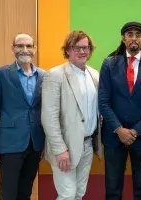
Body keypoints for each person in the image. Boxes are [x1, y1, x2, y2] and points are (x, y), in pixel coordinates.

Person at [98, 21, 141, 200]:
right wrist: (119, 129)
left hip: (140, 137)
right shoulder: (109, 64)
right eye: (130, 34)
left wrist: (135, 131)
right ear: (123, 38)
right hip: (113, 136)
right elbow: (103, 102)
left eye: (138, 35)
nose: (134, 38)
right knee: (112, 188)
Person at [41, 30, 102, 200]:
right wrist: (60, 150)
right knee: (67, 195)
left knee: (79, 193)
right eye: (77, 48)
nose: (82, 51)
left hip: (88, 145)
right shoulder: (55, 75)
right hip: (65, 147)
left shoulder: (94, 74)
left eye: (86, 47)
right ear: (67, 50)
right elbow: (49, 117)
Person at [0, 33, 45, 200]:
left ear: (34, 49)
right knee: (8, 194)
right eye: (20, 46)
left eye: (28, 46)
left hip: (35, 144)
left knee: (25, 193)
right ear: (13, 49)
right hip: (9, 145)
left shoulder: (43, 76)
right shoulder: (0, 74)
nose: (24, 50)